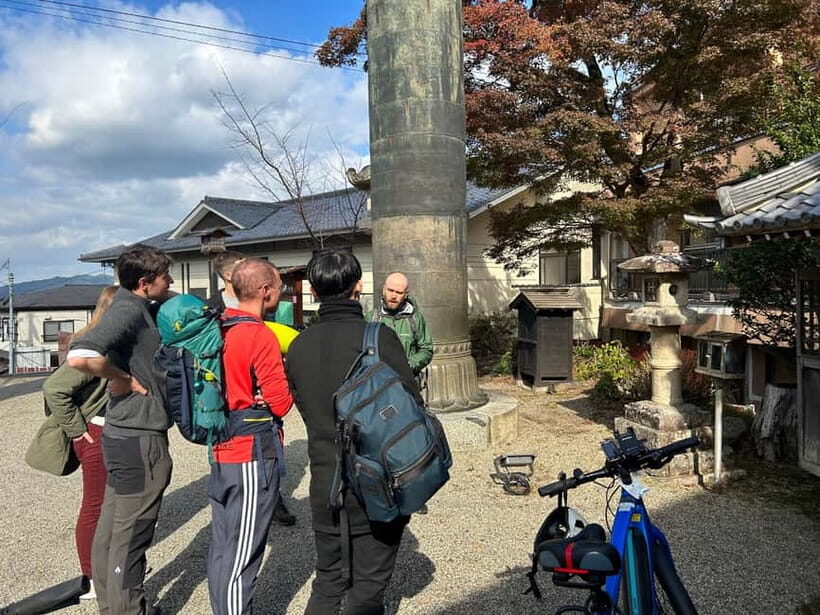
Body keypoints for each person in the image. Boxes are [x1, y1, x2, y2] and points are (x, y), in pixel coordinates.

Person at [286, 248, 421, 615]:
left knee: (329, 580)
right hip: (376, 482)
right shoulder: (379, 339)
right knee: (367, 588)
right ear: (358, 287)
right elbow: (411, 406)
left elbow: (304, 408)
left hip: (325, 484)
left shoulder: (297, 348)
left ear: (313, 291)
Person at [67, 245, 174, 615]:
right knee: (132, 534)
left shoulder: (136, 304)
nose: (171, 280)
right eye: (165, 276)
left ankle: (111, 606)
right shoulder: (128, 309)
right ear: (145, 283)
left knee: (112, 528)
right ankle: (129, 610)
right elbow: (80, 355)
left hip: (120, 433)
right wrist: (122, 378)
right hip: (139, 436)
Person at [206, 258, 293, 615]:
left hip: (221, 443)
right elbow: (282, 402)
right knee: (244, 552)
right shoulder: (259, 334)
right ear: (264, 291)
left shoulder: (217, 326)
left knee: (224, 543)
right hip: (251, 450)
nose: (280, 292)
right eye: (278, 286)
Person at [29, 286, 118, 600]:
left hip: (107, 431)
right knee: (94, 507)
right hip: (97, 432)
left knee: (108, 506)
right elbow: (54, 389)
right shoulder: (94, 346)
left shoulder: (101, 340)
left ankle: (108, 569)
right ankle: (93, 577)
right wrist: (79, 431)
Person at [370, 272, 433, 377]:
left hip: (407, 384)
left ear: (406, 294)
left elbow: (426, 349)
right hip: (379, 384)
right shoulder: (371, 318)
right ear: (384, 289)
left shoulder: (415, 319)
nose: (394, 296)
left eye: (399, 292)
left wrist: (409, 365)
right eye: (390, 290)